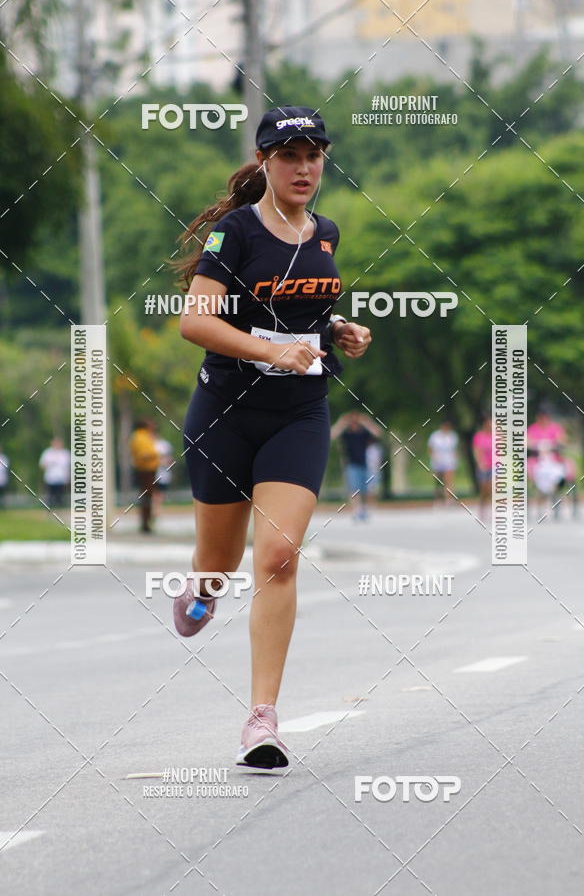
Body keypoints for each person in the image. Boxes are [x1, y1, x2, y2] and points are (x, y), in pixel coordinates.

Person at [173, 106, 372, 769]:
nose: (306, 167)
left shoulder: (327, 233)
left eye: (316, 154)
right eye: (291, 155)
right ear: (265, 162)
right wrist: (264, 347)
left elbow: (302, 308)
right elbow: (195, 322)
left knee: (279, 558)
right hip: (226, 413)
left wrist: (336, 329)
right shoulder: (234, 235)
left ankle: (261, 720)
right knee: (220, 567)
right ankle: (200, 591)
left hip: (299, 411)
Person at [331, 411, 382, 519]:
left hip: (365, 464)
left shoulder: (363, 433)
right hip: (351, 465)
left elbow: (378, 433)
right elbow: (332, 435)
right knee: (354, 489)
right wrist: (341, 423)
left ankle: (365, 510)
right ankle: (357, 510)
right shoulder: (346, 434)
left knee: (367, 489)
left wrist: (367, 422)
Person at [129, 420, 159, 533]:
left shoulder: (142, 436)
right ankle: (145, 523)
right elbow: (144, 454)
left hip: (148, 471)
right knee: (146, 497)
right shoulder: (140, 437)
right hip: (146, 471)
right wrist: (155, 455)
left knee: (147, 497)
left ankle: (146, 522)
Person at [427, 420, 458, 503]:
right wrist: (433, 457)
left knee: (449, 480)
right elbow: (430, 448)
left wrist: (455, 459)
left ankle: (449, 499)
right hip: (437, 461)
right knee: (438, 481)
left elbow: (454, 449)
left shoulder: (452, 436)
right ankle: (438, 498)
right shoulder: (435, 436)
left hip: (449, 461)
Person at [39, 437, 70, 508]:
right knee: (50, 496)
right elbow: (42, 465)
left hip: (62, 478)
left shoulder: (65, 453)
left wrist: (68, 476)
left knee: (60, 496)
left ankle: (60, 509)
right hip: (50, 478)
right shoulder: (47, 453)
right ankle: (50, 509)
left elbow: (68, 466)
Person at [472, 417, 493, 518]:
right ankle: (482, 507)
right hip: (483, 466)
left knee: (493, 487)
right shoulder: (479, 436)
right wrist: (480, 463)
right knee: (484, 489)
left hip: (494, 466)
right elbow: (476, 451)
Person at [155, 436, 174, 508]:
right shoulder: (149, 444)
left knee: (160, 494)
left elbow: (170, 461)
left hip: (162, 475)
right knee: (155, 494)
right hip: (153, 474)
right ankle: (155, 511)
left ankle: (156, 511)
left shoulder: (164, 445)